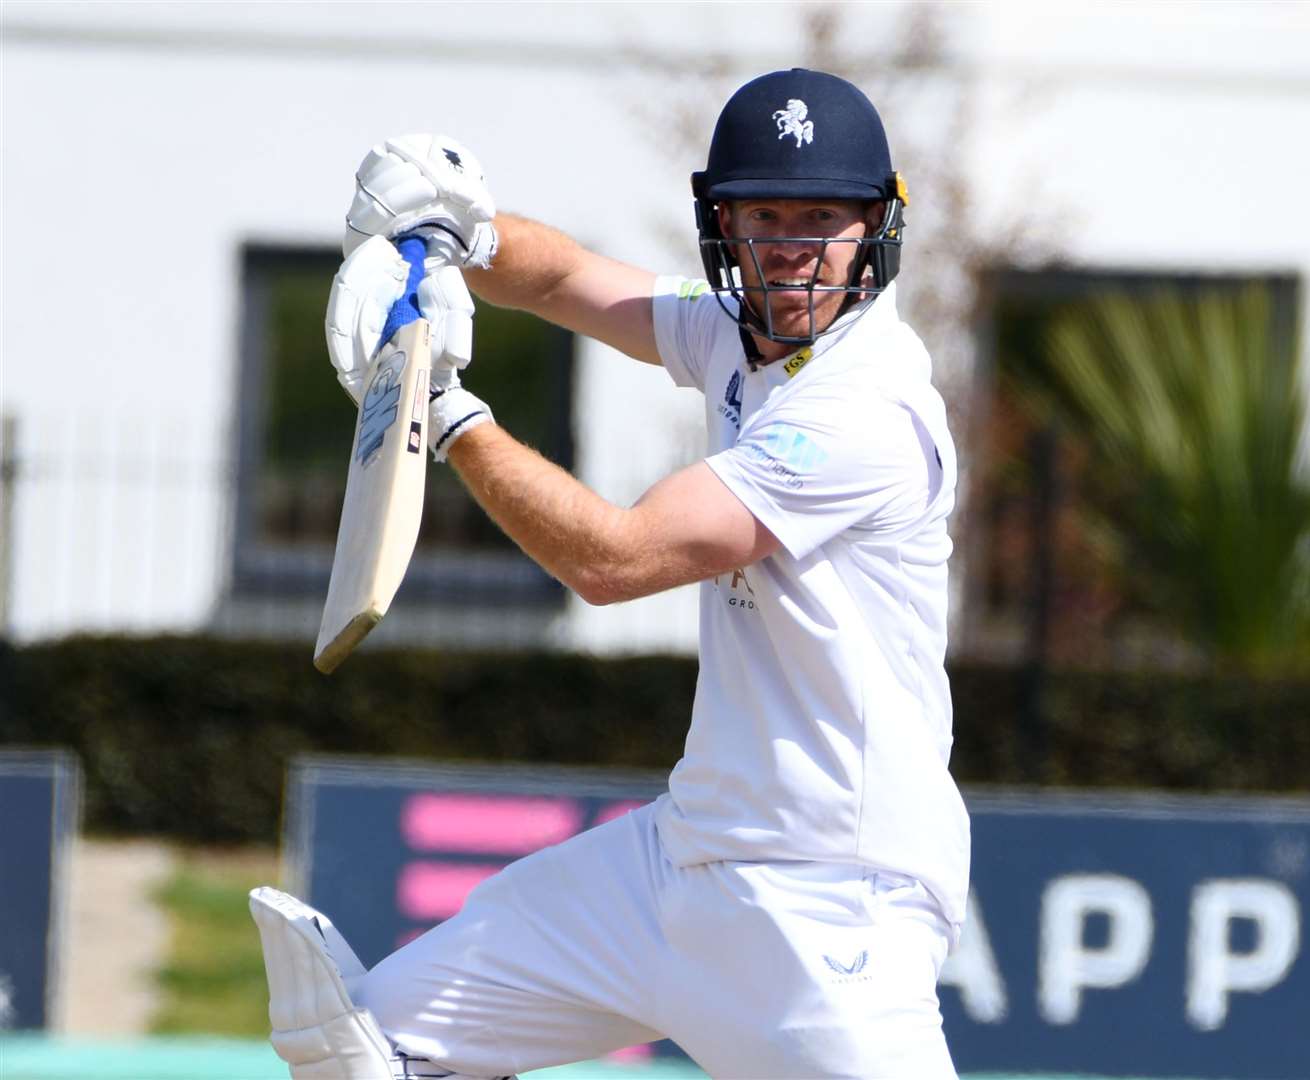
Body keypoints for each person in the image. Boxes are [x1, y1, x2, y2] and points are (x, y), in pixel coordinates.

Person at [251, 67, 970, 1080]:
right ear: (723, 226)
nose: (794, 247)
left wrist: (442, 408)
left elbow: (612, 561)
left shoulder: (865, 410)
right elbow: (564, 279)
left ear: (874, 228)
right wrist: (459, 236)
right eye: (765, 216)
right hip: (675, 862)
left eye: (823, 217)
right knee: (366, 1052)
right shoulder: (739, 333)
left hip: (831, 897)